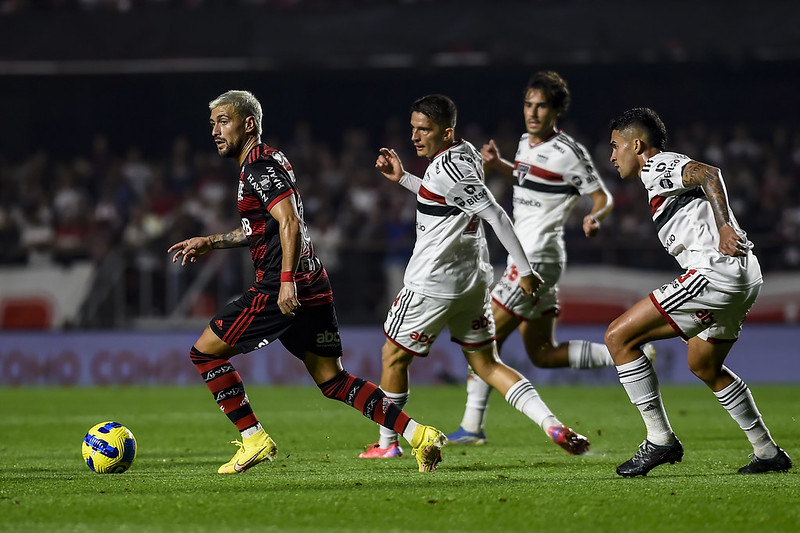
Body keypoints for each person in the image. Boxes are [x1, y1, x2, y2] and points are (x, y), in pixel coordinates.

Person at [167, 90, 445, 474]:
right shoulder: (268, 160)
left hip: (280, 287)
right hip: (312, 281)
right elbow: (262, 227)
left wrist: (284, 283)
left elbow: (290, 222)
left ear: (249, 124)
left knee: (205, 353)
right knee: (333, 380)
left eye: (223, 121)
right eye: (212, 123)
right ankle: (420, 435)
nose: (215, 130)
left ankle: (253, 438)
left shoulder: (258, 169)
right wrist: (211, 242)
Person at [357, 94, 590, 462]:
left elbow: (496, 215)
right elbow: (443, 196)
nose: (416, 137)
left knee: (392, 356)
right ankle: (552, 425)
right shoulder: (462, 154)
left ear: (446, 131)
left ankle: (388, 445)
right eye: (413, 128)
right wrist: (403, 178)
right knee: (486, 363)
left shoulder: (447, 169)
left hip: (432, 282)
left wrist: (525, 271)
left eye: (425, 130)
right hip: (472, 284)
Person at [447, 70, 632, 445]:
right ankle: (629, 354)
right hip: (536, 257)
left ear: (556, 110)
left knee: (480, 341)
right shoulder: (523, 142)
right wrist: (499, 165)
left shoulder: (569, 152)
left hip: (534, 258)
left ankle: (472, 427)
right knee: (544, 353)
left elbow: (602, 196)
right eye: (528, 105)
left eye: (541, 106)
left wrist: (595, 217)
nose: (532, 113)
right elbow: (528, 178)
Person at [606, 107, 792, 476]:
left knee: (618, 338)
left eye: (615, 146)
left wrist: (725, 227)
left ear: (637, 144)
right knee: (703, 364)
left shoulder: (658, 166)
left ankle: (659, 440)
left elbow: (709, 173)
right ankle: (767, 451)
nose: (611, 156)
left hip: (714, 274)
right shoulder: (656, 179)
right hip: (744, 276)